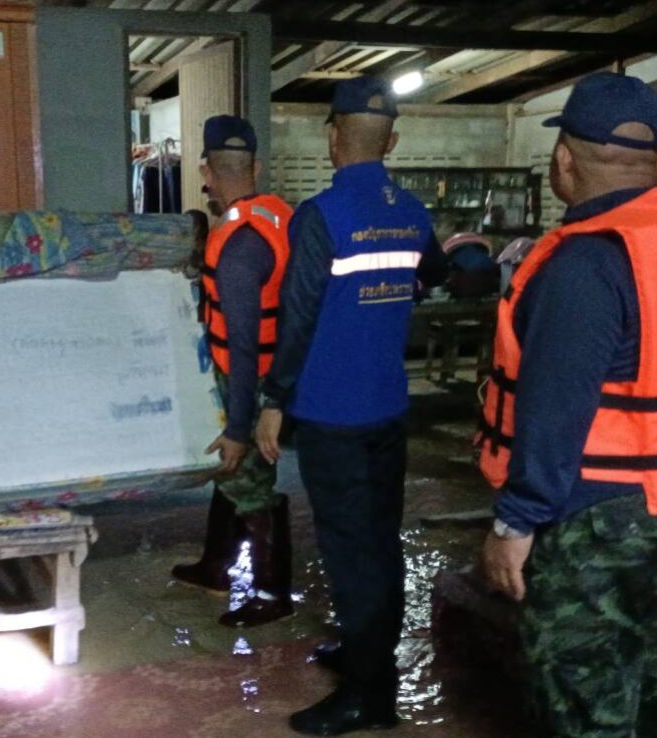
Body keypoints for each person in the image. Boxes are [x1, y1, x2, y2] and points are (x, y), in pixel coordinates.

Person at [474, 72, 657, 738]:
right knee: (645, 683)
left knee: (584, 706)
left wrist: (514, 523)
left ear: (563, 160)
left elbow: (555, 409)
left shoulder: (584, 262)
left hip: (596, 521)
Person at [254, 77, 449, 736]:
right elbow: (436, 273)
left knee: (349, 551)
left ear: (333, 138)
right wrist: (396, 293)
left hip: (332, 413)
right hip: (388, 407)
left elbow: (298, 316)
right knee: (379, 540)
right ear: (391, 142)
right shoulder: (413, 212)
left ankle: (369, 696)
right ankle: (368, 656)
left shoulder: (322, 215)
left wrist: (274, 400)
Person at [172, 115, 296, 628]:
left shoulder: (238, 244)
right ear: (256, 167)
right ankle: (215, 565)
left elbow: (242, 348)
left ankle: (271, 592)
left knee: (249, 480)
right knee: (231, 475)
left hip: (248, 376)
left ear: (206, 171)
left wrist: (240, 427)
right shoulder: (277, 215)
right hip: (270, 367)